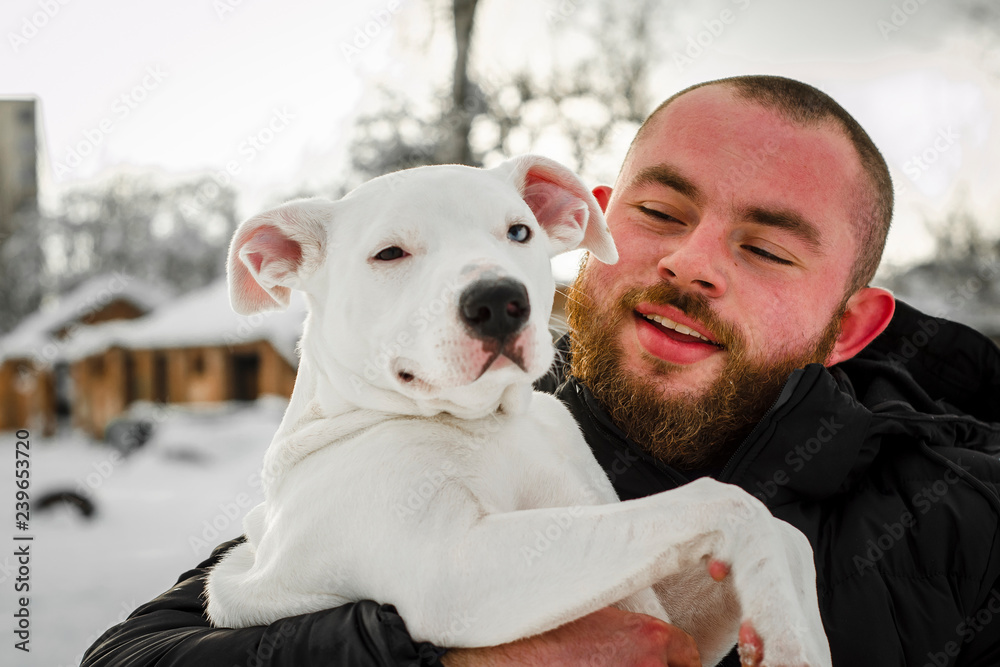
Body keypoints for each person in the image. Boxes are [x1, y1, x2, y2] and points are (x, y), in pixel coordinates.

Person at [82, 75, 1000, 667]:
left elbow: (666, 629)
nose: (692, 262)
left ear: (852, 325)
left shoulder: (965, 521)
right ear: (592, 226)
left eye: (764, 247)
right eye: (659, 210)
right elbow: (131, 655)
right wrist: (436, 654)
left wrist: (749, 546)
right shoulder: (401, 433)